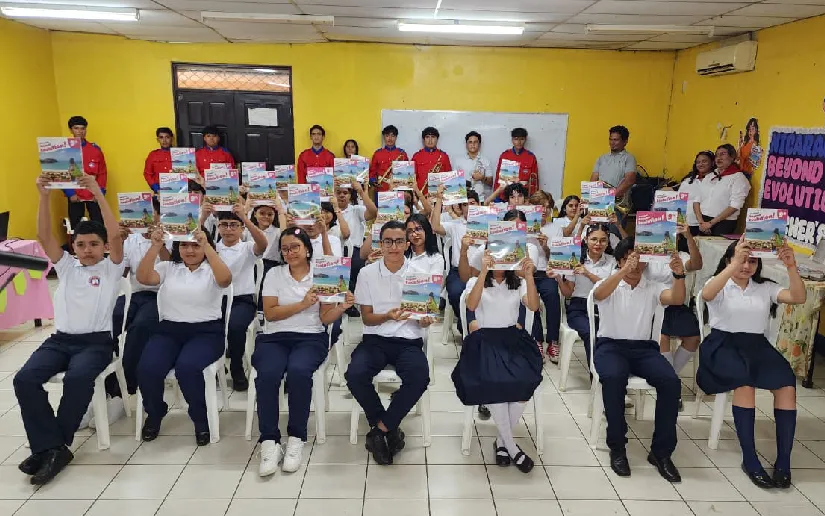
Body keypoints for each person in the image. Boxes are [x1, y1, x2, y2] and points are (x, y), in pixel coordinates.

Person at [15, 174, 123, 485]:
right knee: (24, 379)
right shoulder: (66, 266)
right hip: (59, 341)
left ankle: (51, 448)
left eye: (94, 244)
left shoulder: (111, 268)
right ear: (72, 246)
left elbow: (116, 235)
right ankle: (52, 447)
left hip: (96, 344)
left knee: (77, 379)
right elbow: (43, 235)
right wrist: (44, 195)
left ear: (104, 247)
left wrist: (96, 193)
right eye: (81, 244)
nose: (87, 250)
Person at [697, 238, 805, 489]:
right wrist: (733, 265)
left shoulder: (765, 287)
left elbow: (798, 297)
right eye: (742, 260)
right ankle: (750, 459)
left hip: (757, 347)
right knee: (744, 382)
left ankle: (784, 462)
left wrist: (791, 266)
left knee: (786, 384)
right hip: (722, 345)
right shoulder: (720, 283)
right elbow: (707, 294)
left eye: (752, 262)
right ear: (729, 260)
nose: (746, 266)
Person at [255, 227, 355, 475]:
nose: (290, 253)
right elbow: (270, 313)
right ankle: (269, 440)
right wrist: (302, 304)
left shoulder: (323, 274)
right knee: (267, 374)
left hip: (310, 337)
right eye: (285, 249)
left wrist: (342, 307)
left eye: (295, 247)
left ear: (307, 250)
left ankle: (296, 437)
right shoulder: (274, 274)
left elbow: (325, 318)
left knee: (299, 371)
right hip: (274, 337)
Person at [591, 238, 685, 482]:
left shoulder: (653, 287)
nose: (635, 264)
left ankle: (661, 453)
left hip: (644, 349)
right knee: (614, 378)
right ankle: (617, 447)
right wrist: (623, 271)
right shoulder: (609, 282)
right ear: (620, 260)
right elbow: (598, 295)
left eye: (640, 259)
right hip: (610, 346)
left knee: (671, 382)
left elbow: (676, 299)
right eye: (629, 258)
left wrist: (679, 275)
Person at [345, 220, 435, 464]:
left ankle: (380, 430)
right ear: (381, 244)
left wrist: (425, 320)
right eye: (388, 241)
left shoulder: (421, 275)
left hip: (408, 341)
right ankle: (388, 426)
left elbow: (424, 320)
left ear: (407, 244)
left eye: (398, 241)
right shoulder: (367, 273)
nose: (393, 247)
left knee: (419, 377)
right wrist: (387, 316)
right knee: (355, 374)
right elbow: (367, 318)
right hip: (375, 339)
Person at [135, 227, 232, 445]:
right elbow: (143, 278)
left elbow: (225, 280)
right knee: (148, 368)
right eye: (184, 245)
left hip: (207, 332)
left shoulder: (213, 267)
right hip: (169, 330)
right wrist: (155, 246)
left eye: (195, 245)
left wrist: (207, 246)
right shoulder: (169, 267)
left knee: (187, 368)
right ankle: (155, 412)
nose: (189, 250)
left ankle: (200, 419)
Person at [452, 252, 542, 473]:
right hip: (484, 340)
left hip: (512, 339)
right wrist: (484, 272)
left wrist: (529, 276)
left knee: (526, 380)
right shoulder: (476, 281)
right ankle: (511, 447)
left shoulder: (518, 282)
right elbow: (471, 305)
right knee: (494, 381)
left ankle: (502, 442)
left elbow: (533, 306)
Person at [210, 202, 268, 391]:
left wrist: (244, 217)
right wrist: (202, 216)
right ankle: (215, 365)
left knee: (235, 326)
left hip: (242, 300)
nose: (228, 229)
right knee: (209, 325)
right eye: (224, 225)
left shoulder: (247, 247)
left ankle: (236, 367)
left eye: (234, 225)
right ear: (218, 226)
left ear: (242, 228)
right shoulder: (212, 248)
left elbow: (263, 244)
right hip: (215, 299)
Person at [645, 224, 703, 409]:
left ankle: (669, 377)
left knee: (693, 337)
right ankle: (671, 387)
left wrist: (688, 236)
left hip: (675, 305)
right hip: (651, 305)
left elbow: (697, 264)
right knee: (662, 337)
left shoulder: (681, 256)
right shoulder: (647, 256)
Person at [549, 224, 615, 368]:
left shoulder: (612, 261)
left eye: (603, 240)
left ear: (608, 242)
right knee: (591, 333)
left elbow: (610, 288)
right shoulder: (576, 260)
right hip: (579, 308)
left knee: (611, 334)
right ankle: (597, 373)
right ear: (585, 240)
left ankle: (611, 370)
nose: (598, 244)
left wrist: (587, 273)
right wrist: (558, 277)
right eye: (594, 239)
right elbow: (568, 292)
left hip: (605, 307)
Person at [430, 186, 481, 336]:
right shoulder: (456, 225)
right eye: (465, 204)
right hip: (458, 271)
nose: (469, 207)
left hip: (482, 272)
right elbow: (435, 227)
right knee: (456, 292)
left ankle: (472, 327)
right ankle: (467, 326)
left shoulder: (489, 225)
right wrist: (439, 199)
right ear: (461, 208)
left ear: (479, 205)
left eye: (472, 203)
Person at [528, 191, 562, 362]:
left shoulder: (555, 229)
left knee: (553, 296)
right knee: (530, 298)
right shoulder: (523, 227)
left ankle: (553, 341)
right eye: (540, 206)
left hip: (547, 271)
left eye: (547, 207)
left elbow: (559, 260)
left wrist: (546, 247)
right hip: (528, 272)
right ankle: (537, 340)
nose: (544, 210)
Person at [695, 144, 751, 237]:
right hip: (703, 222)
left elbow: (735, 206)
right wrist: (701, 222)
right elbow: (696, 200)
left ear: (732, 157)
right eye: (717, 155)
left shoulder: (738, 178)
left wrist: (711, 223)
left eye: (722, 154)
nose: (718, 158)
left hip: (723, 223)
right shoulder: (710, 176)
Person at [64, 115, 108, 229]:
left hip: (93, 193)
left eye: (82, 128)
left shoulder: (95, 150)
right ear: (71, 130)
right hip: (75, 193)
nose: (80, 131)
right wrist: (70, 193)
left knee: (99, 224)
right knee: (76, 226)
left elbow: (102, 172)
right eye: (76, 128)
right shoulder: (65, 150)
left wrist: (100, 192)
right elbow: (62, 173)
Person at [676, 151, 715, 241]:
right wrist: (678, 224)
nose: (701, 164)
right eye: (698, 162)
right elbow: (679, 203)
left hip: (706, 225)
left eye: (704, 161)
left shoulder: (716, 181)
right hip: (686, 224)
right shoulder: (688, 181)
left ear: (712, 163)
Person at [494, 128, 539, 197]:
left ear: (525, 140)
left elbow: (534, 183)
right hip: (506, 196)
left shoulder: (531, 157)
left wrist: (532, 198)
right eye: (516, 139)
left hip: (524, 197)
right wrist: (497, 197)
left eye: (522, 139)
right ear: (512, 140)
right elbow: (498, 179)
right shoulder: (505, 155)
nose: (519, 142)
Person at [370, 125, 409, 197]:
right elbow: (372, 172)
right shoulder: (377, 153)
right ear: (384, 137)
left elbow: (407, 174)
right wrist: (373, 181)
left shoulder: (402, 154)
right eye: (387, 136)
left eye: (393, 136)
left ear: (396, 137)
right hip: (381, 189)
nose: (390, 138)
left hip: (398, 190)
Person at [454, 131, 493, 199]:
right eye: (470, 142)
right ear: (466, 144)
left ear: (479, 144)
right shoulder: (458, 161)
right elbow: (454, 182)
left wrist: (482, 178)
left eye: (475, 142)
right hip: (463, 198)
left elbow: (490, 183)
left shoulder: (486, 161)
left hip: (480, 199)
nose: (473, 144)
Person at [411, 127, 452, 193]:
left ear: (437, 139)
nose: (430, 140)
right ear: (424, 139)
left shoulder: (444, 156)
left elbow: (449, 178)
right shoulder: (417, 156)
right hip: (420, 195)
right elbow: (411, 178)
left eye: (433, 137)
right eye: (427, 137)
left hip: (438, 196)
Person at [143, 127, 175, 194]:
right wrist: (155, 187)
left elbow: (188, 173)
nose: (164, 140)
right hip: (159, 191)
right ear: (158, 140)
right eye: (161, 137)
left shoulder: (180, 154)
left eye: (167, 137)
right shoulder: (153, 155)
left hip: (178, 190)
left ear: (171, 138)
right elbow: (147, 174)